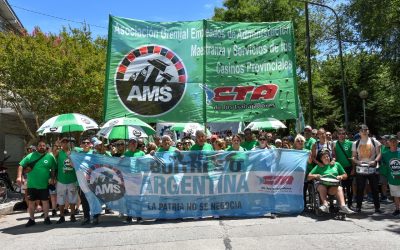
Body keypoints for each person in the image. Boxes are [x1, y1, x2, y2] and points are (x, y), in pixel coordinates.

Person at [16, 140, 57, 227]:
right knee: (31, 203)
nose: (41, 147)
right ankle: (31, 219)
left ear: (45, 147)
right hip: (32, 185)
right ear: (37, 147)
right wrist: (19, 177)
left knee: (45, 202)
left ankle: (46, 218)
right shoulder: (30, 156)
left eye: (43, 145)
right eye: (40, 145)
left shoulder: (50, 157)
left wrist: (53, 178)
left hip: (44, 184)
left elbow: (53, 169)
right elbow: (21, 165)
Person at [307, 150, 355, 214]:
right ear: (321, 159)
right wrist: (316, 175)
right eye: (324, 157)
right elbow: (308, 177)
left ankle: (343, 206)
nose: (326, 158)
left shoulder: (336, 164)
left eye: (327, 156)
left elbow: (345, 175)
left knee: (339, 188)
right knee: (321, 186)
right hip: (322, 185)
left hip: (333, 187)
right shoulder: (319, 166)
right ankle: (325, 205)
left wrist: (340, 176)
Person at [352, 124, 382, 213]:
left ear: (368, 131)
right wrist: (358, 162)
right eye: (362, 130)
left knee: (375, 189)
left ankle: (377, 208)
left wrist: (375, 161)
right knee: (360, 189)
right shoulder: (355, 143)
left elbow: (379, 154)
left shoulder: (375, 141)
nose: (364, 132)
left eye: (366, 130)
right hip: (361, 168)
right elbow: (353, 157)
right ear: (359, 132)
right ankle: (358, 207)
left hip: (372, 167)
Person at [52, 137, 79, 224]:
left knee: (72, 199)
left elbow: (77, 162)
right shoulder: (59, 153)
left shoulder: (73, 152)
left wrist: (71, 155)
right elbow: (53, 154)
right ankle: (62, 216)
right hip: (61, 180)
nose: (65, 143)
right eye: (63, 142)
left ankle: (72, 215)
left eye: (66, 142)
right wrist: (56, 144)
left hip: (72, 179)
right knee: (60, 199)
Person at [332, 128, 354, 208]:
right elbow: (334, 156)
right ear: (337, 135)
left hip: (348, 167)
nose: (341, 135)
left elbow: (353, 157)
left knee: (349, 187)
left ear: (346, 135)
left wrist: (353, 168)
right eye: (340, 134)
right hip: (339, 169)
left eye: (343, 134)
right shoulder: (335, 144)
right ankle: (342, 204)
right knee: (341, 187)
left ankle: (350, 204)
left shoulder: (350, 143)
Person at [380, 135, 400, 216]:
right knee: (395, 195)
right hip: (392, 178)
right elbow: (383, 166)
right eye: (391, 141)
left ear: (397, 142)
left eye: (394, 141)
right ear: (388, 142)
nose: (393, 143)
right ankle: (397, 209)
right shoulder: (385, 154)